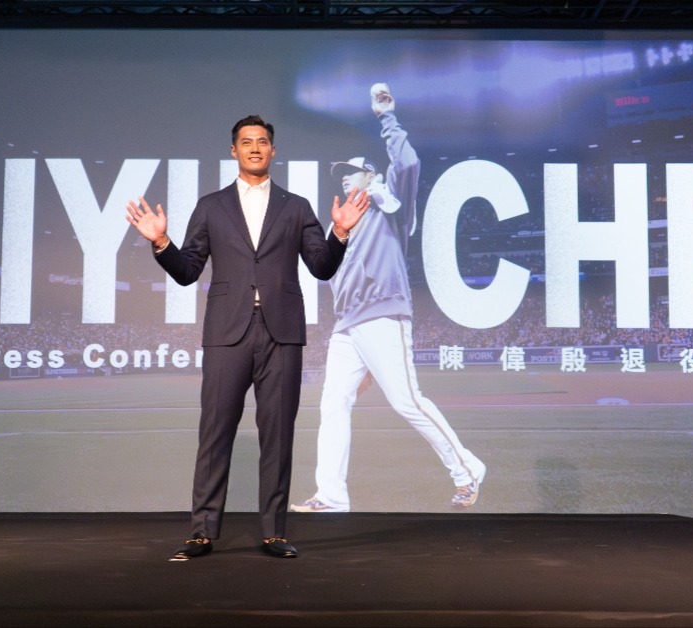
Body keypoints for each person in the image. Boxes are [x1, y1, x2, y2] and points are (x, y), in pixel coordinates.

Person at [125, 115, 369, 559]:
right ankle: (202, 531)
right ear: (233, 150)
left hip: (282, 333)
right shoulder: (211, 206)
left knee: (278, 435)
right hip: (227, 332)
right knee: (215, 431)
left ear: (273, 151)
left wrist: (339, 233)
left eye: (262, 141)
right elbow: (188, 271)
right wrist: (161, 243)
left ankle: (274, 532)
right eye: (246, 142)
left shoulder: (296, 207)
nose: (254, 148)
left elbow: (321, 266)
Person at [290, 84, 486, 514]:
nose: (344, 176)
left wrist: (387, 118)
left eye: (352, 171)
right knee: (333, 404)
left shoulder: (391, 209)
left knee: (407, 401)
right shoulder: (343, 222)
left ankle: (467, 469)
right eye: (341, 173)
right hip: (347, 325)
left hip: (382, 316)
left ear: (372, 175)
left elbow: (408, 163)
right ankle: (331, 495)